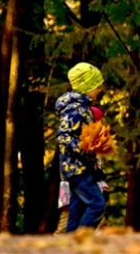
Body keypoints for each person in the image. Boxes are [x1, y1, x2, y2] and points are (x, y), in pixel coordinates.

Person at [56, 62, 107, 231]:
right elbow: (63, 136)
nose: (100, 89)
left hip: (81, 167)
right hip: (77, 168)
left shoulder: (84, 108)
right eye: (97, 86)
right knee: (97, 204)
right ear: (87, 86)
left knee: (76, 211)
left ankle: (71, 246)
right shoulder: (76, 109)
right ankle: (81, 239)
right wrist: (84, 147)